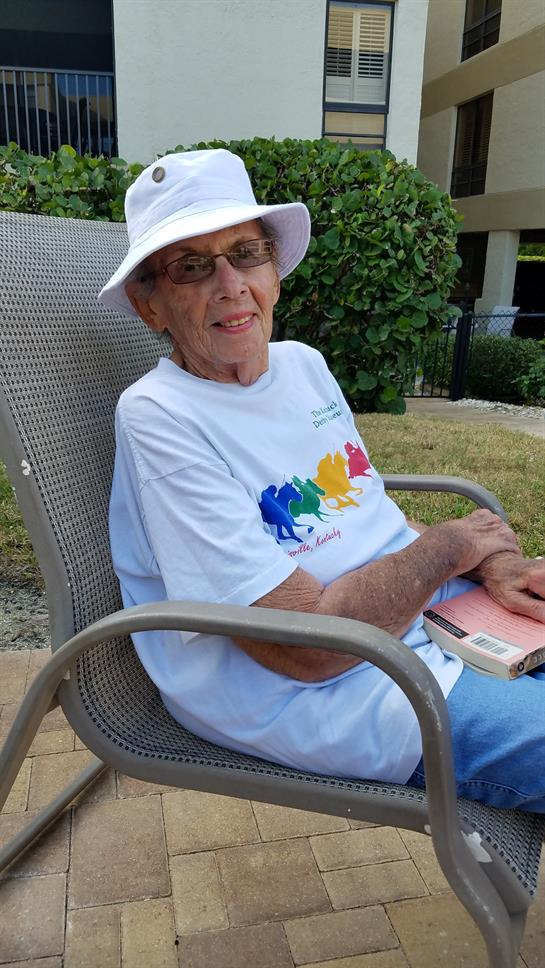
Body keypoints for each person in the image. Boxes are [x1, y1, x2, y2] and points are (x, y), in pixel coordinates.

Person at [100, 149, 545, 812]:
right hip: (332, 689)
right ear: (150, 306)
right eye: (191, 267)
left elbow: (367, 517)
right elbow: (303, 647)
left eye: (245, 253)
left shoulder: (301, 365)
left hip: (424, 615)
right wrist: (451, 547)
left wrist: (493, 567)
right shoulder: (159, 415)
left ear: (273, 272)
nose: (229, 284)